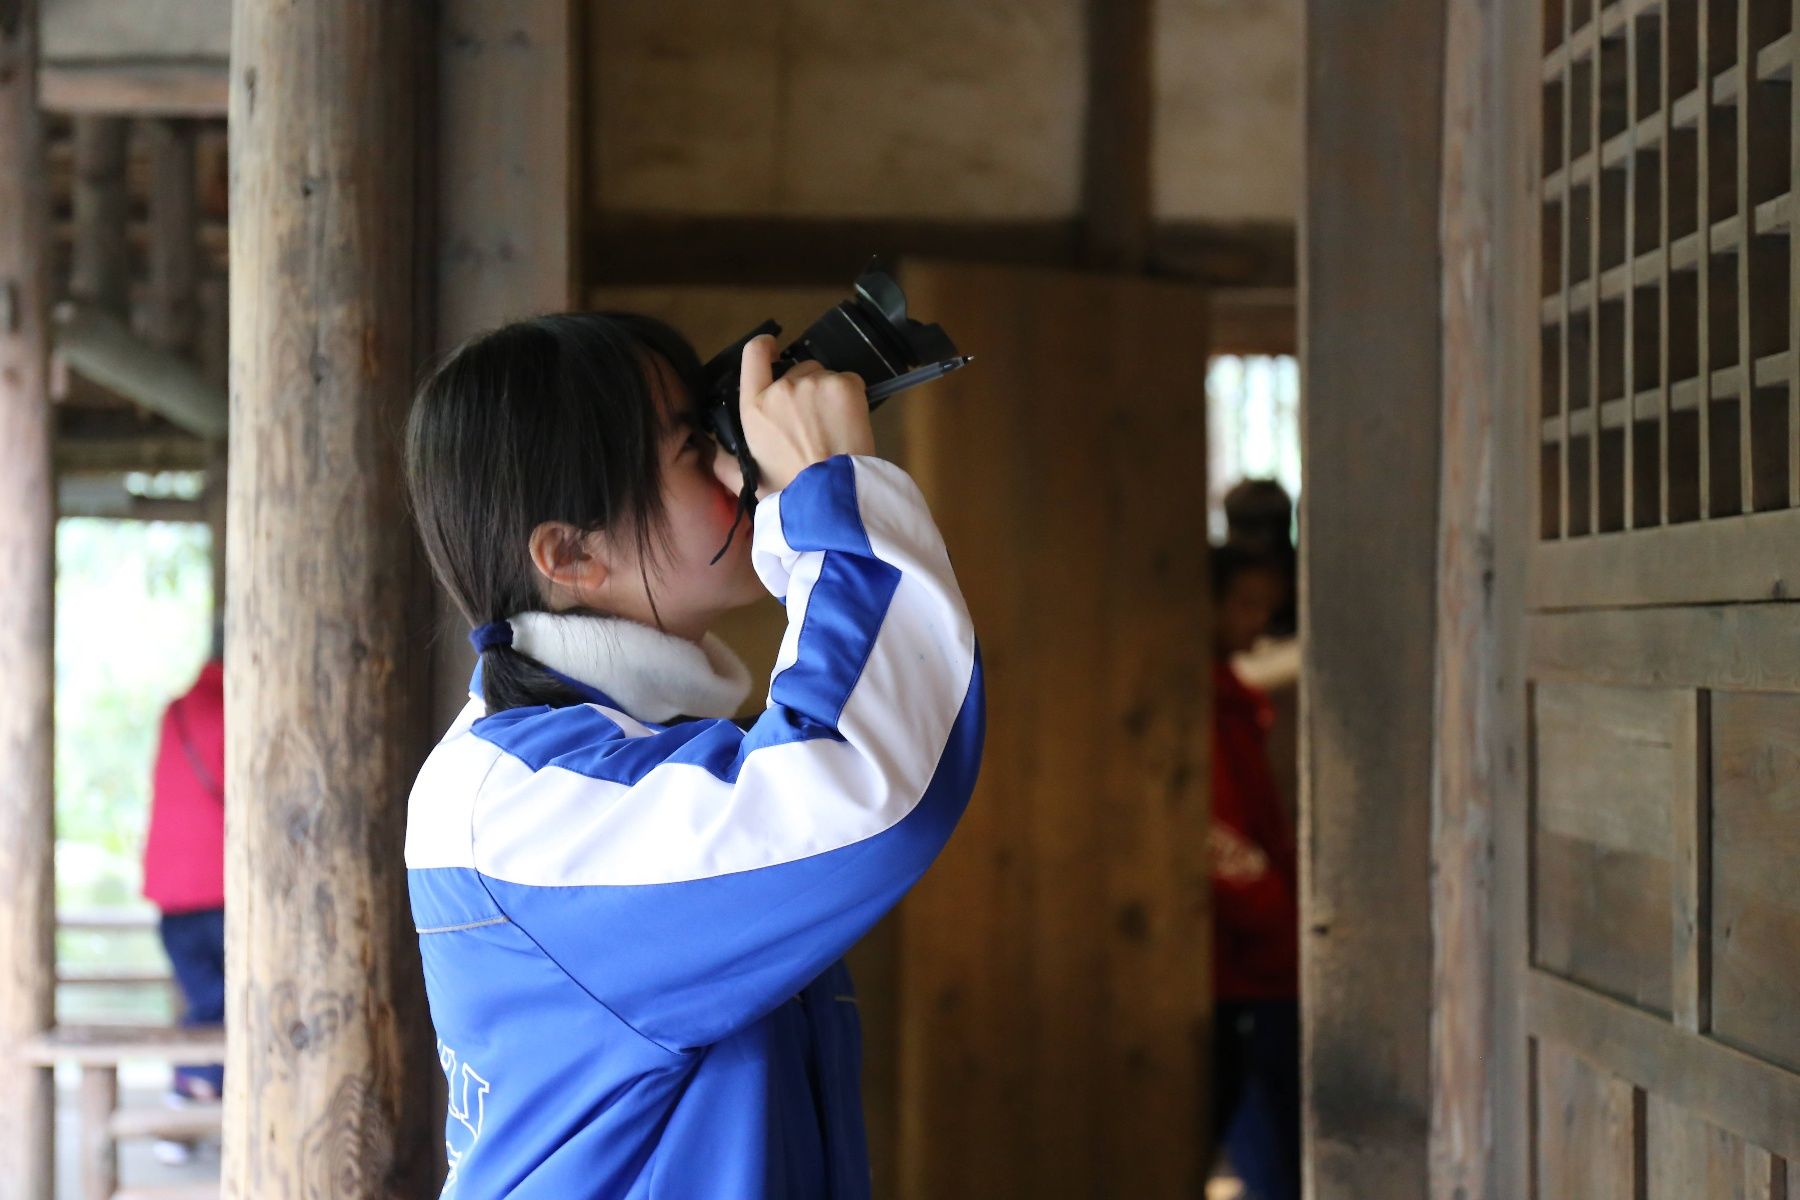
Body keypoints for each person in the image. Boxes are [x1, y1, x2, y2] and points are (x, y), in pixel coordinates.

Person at [402, 315, 984, 1198]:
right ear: (571, 553)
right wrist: (827, 490)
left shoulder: (614, 764)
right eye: (693, 451)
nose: (736, 473)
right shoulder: (521, 810)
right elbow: (860, 785)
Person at [1208, 540, 1300, 1200]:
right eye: (1244, 605)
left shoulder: (1230, 698)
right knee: (1272, 1163)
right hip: (1245, 970)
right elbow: (1219, 842)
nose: (1257, 625)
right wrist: (1276, 916)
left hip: (1255, 965)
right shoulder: (1203, 708)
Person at [141, 626, 227, 1161]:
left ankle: (195, 1099)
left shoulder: (176, 711)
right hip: (221, 893)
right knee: (223, 1001)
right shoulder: (240, 710)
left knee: (208, 997)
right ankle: (186, 1094)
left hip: (171, 898)